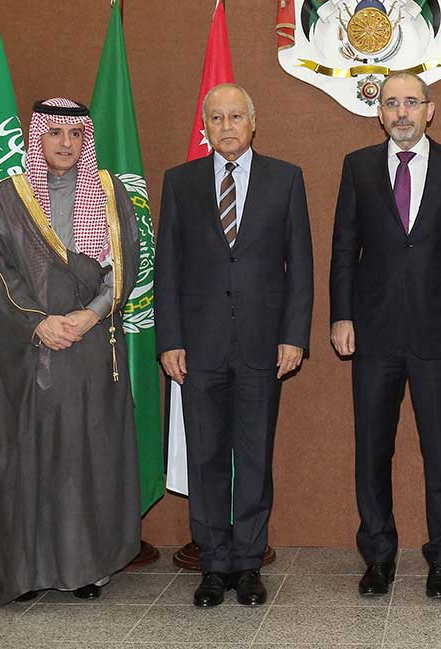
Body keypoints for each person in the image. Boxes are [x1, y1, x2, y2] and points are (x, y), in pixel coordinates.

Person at [330, 72, 441, 599]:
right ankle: (379, 557)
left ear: (430, 110)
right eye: (391, 103)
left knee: (440, 453)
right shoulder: (357, 167)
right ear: (379, 113)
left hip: (440, 334)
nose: (401, 112)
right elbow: (343, 249)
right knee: (372, 451)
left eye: (411, 103)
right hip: (373, 335)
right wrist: (341, 316)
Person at [156, 83, 313, 608]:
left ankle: (247, 564)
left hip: (262, 347)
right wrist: (170, 339)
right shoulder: (180, 183)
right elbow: (168, 269)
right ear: (205, 126)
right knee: (204, 458)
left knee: (253, 457)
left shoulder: (285, 179)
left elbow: (301, 267)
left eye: (235, 117)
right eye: (216, 118)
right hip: (197, 348)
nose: (226, 126)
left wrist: (294, 335)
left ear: (253, 122)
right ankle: (212, 564)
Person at [0, 98, 142, 605]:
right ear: (39, 138)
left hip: (93, 345)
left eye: (75, 134)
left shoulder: (109, 190)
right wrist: (39, 322)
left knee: (86, 456)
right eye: (55, 134)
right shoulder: (10, 196)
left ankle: (86, 568)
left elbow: (125, 261)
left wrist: (92, 314)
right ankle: (26, 570)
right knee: (28, 456)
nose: (66, 144)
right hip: (29, 349)